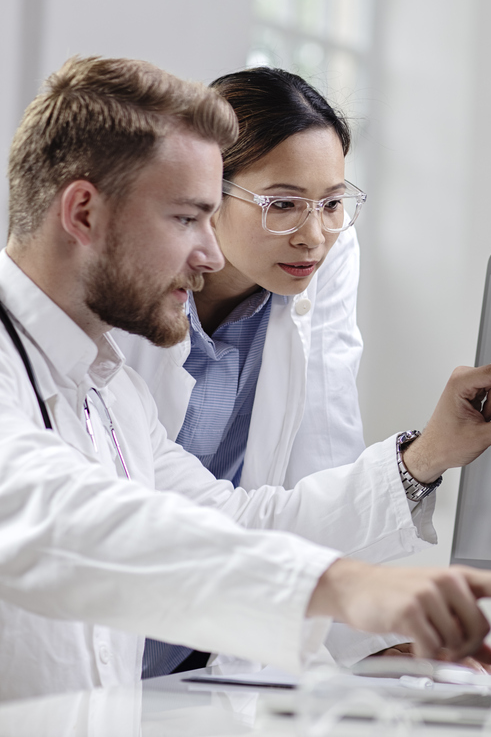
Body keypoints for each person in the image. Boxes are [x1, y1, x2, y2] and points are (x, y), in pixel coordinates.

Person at [0, 55, 491, 702]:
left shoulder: (114, 392)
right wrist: (344, 588)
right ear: (85, 213)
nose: (208, 255)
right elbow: (57, 512)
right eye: (186, 219)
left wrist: (424, 459)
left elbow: (240, 523)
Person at [113, 67, 420, 675]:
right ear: (207, 191)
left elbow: (325, 443)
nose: (313, 235)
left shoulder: (323, 255)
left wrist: (369, 635)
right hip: (114, 617)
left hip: (203, 645)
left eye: (333, 203)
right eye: (282, 204)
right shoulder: (134, 275)